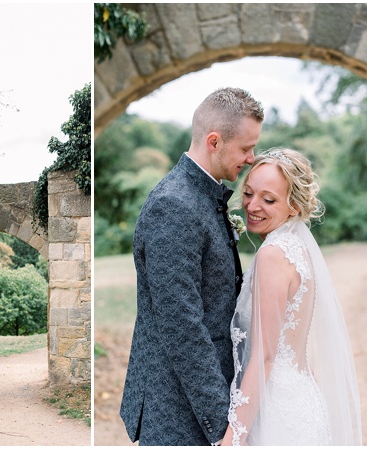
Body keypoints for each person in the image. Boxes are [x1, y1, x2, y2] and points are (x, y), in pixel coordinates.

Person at [120, 87, 264, 445]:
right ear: (214, 141)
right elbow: (182, 325)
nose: (251, 158)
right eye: (246, 148)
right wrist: (222, 427)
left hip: (202, 397)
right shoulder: (173, 206)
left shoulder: (202, 195)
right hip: (178, 409)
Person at [221, 148, 362, 445]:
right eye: (248, 193)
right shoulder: (298, 249)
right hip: (303, 401)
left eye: (268, 199)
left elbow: (266, 355)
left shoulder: (273, 255)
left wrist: (234, 435)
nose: (252, 206)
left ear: (295, 205)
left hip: (276, 410)